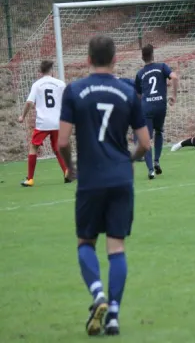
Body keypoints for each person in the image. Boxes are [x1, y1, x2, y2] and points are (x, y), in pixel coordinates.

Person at [58, 35, 151, 336]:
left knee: (86, 243)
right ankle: (113, 315)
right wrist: (129, 161)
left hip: (91, 179)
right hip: (120, 178)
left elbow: (61, 141)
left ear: (87, 59)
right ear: (114, 60)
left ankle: (97, 292)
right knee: (117, 247)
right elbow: (145, 144)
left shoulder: (74, 91)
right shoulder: (127, 93)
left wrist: (71, 167)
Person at [18, 60, 69, 187]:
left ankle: (30, 179)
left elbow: (29, 102)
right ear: (52, 70)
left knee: (33, 147)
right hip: (57, 121)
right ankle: (67, 172)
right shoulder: (60, 84)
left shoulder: (37, 84)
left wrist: (22, 116)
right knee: (57, 148)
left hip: (43, 122)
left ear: (40, 72)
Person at [135, 44, 179, 179]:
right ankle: (157, 161)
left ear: (142, 58)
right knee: (159, 131)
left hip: (147, 107)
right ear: (153, 55)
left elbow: (139, 94)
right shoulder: (162, 67)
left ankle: (150, 170)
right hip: (161, 105)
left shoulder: (140, 74)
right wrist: (174, 96)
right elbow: (175, 77)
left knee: (146, 139)